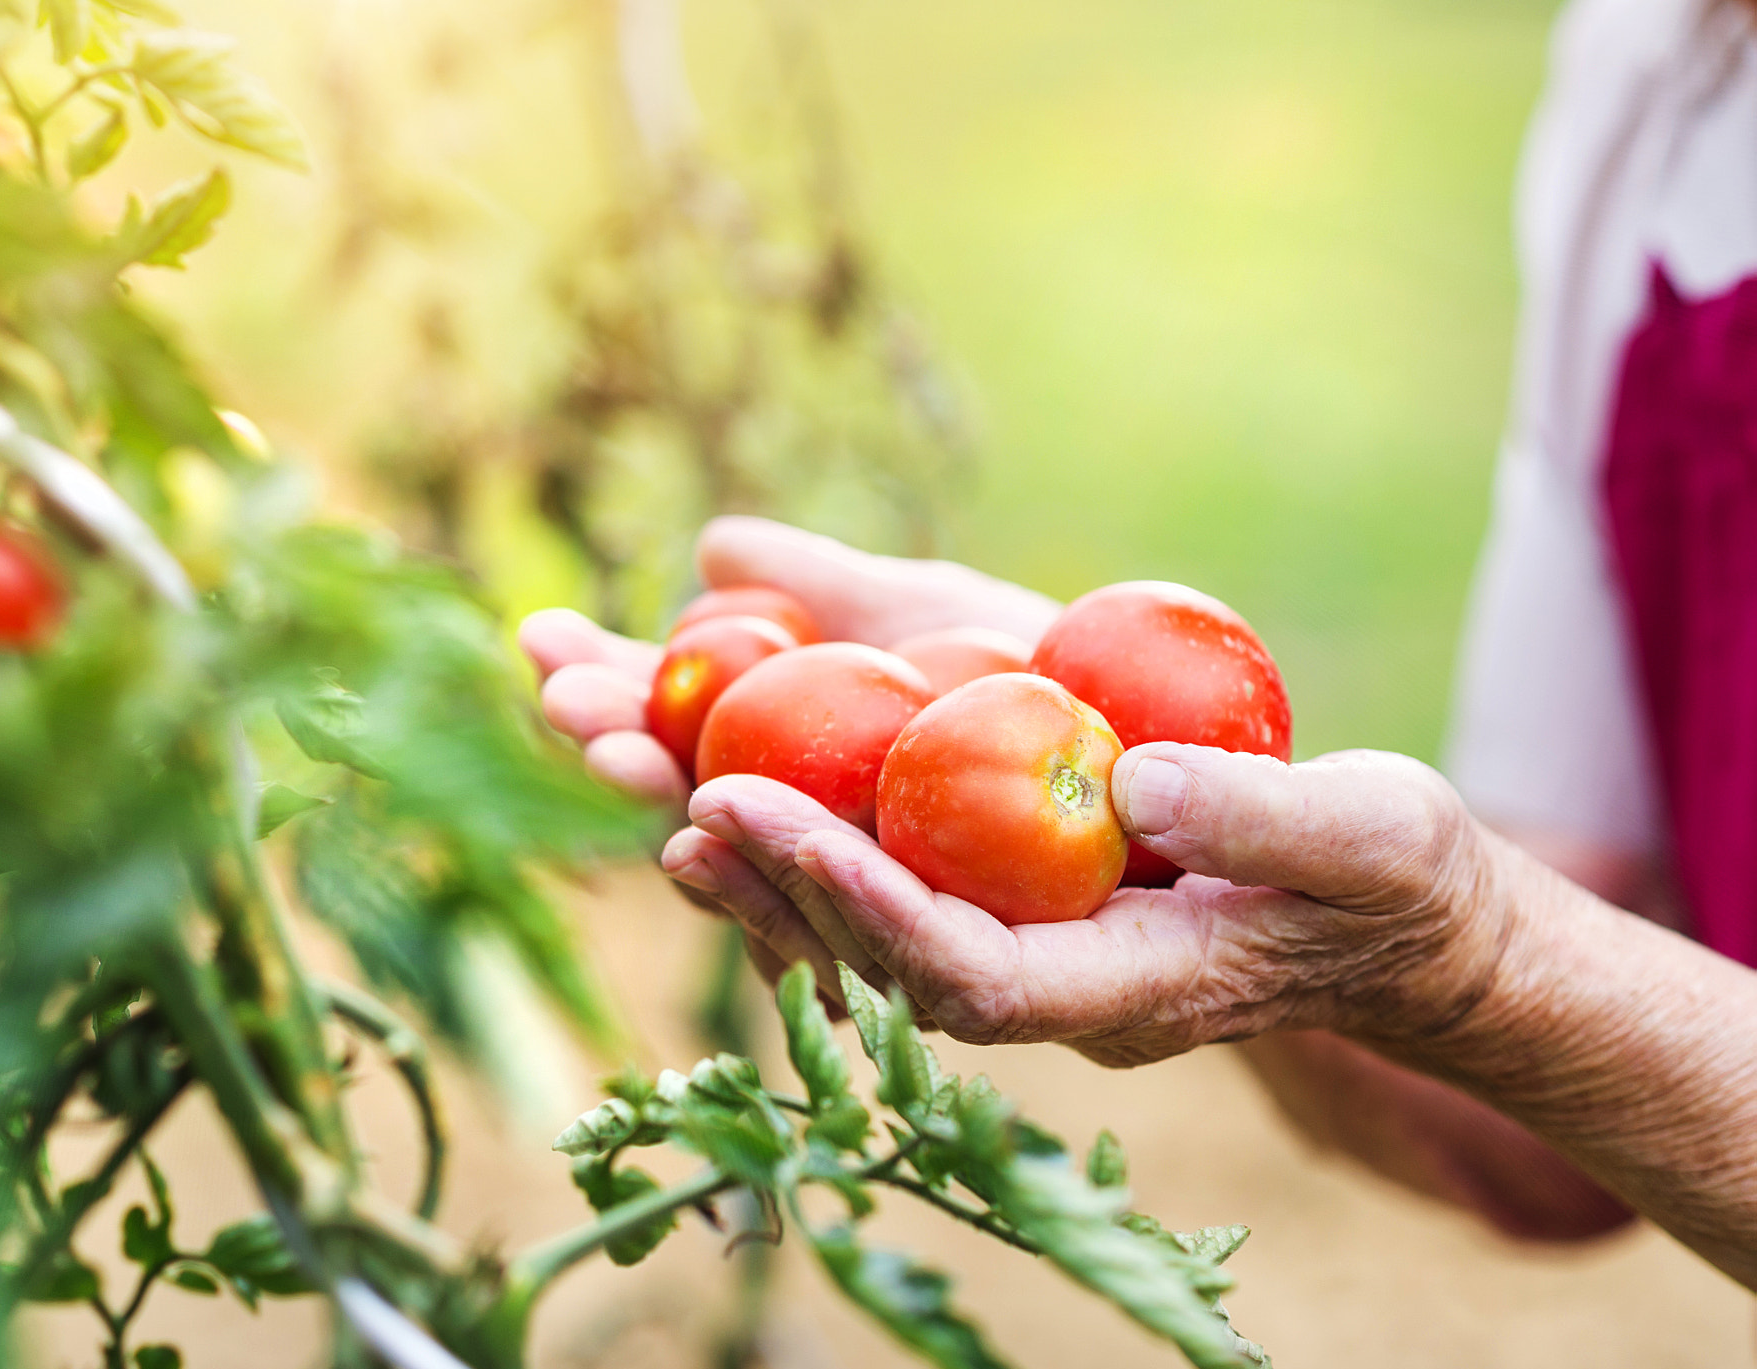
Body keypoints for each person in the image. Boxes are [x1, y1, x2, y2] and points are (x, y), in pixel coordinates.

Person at [518, 0, 1757, 1293]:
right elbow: (1547, 1140)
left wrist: (1485, 952)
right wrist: (1307, 944)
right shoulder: (1656, 65)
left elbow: (1543, 963)